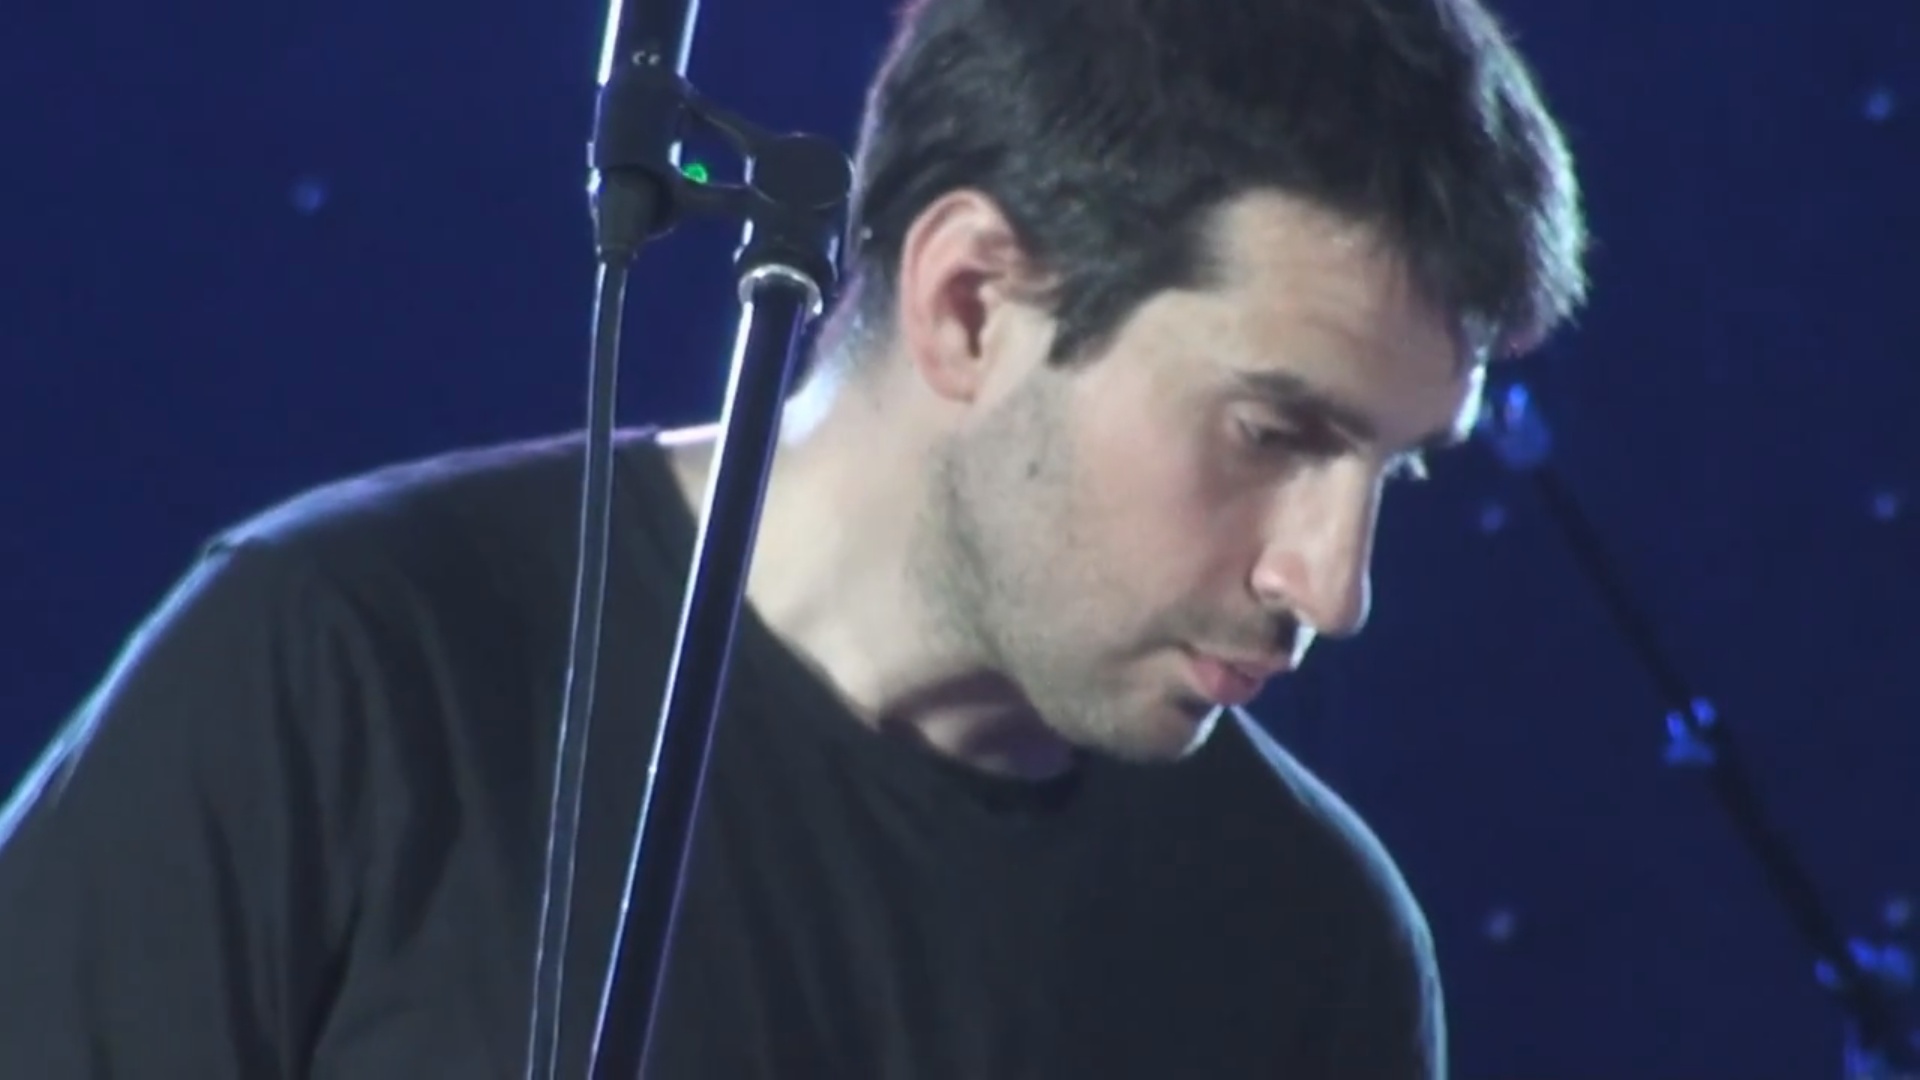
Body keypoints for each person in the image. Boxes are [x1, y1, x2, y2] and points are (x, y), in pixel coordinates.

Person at [0, 0, 1587, 1074]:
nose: (1331, 583)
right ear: (971, 304)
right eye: (1274, 433)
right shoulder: (344, 665)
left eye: (1395, 471)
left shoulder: (1315, 949)